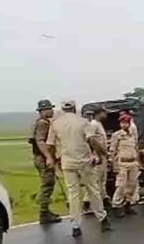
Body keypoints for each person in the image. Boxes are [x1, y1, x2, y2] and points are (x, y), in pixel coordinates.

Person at [45, 100, 112, 237]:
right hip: (84, 162)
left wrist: (53, 159)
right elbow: (92, 140)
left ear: (63, 109)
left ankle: (75, 225)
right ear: (75, 108)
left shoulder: (56, 124)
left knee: (73, 194)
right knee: (93, 190)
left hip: (67, 163)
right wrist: (103, 153)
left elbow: (50, 145)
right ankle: (102, 218)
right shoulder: (83, 122)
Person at [30, 99, 62, 224]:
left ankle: (45, 211)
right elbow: (40, 141)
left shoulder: (41, 122)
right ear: (43, 111)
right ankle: (44, 212)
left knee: (48, 183)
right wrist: (49, 157)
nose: (51, 111)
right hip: (42, 158)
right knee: (47, 184)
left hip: (41, 157)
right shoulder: (43, 123)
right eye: (49, 109)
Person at [110, 113, 140, 218]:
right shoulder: (117, 135)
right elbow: (112, 151)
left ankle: (128, 204)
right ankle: (116, 205)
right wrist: (114, 165)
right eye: (122, 122)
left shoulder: (132, 135)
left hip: (133, 162)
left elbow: (136, 148)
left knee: (132, 185)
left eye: (126, 122)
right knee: (121, 186)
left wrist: (138, 162)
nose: (123, 125)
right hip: (122, 163)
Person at [89, 105, 111, 209]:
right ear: (99, 113)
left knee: (102, 180)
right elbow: (92, 140)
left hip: (102, 155)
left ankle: (104, 199)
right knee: (96, 180)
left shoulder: (99, 124)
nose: (106, 115)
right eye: (104, 112)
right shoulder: (93, 124)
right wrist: (100, 153)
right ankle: (93, 202)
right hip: (98, 155)